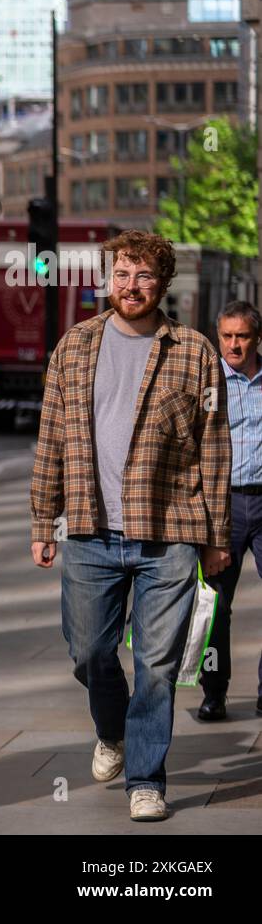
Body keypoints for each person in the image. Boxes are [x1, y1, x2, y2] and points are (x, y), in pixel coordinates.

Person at [30, 230, 231, 822]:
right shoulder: (73, 347)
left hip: (169, 532)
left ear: (162, 283)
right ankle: (111, 731)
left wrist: (216, 537)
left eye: (144, 275)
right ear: (108, 278)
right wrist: (44, 518)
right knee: (90, 651)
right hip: (90, 531)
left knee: (158, 665)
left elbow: (214, 450)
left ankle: (146, 779)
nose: (131, 285)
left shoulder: (194, 352)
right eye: (122, 273)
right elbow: (51, 440)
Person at [198, 300, 262, 721]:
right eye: (226, 336)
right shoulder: (207, 384)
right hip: (225, 506)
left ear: (256, 338)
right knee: (216, 608)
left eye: (241, 336)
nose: (233, 344)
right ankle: (214, 692)